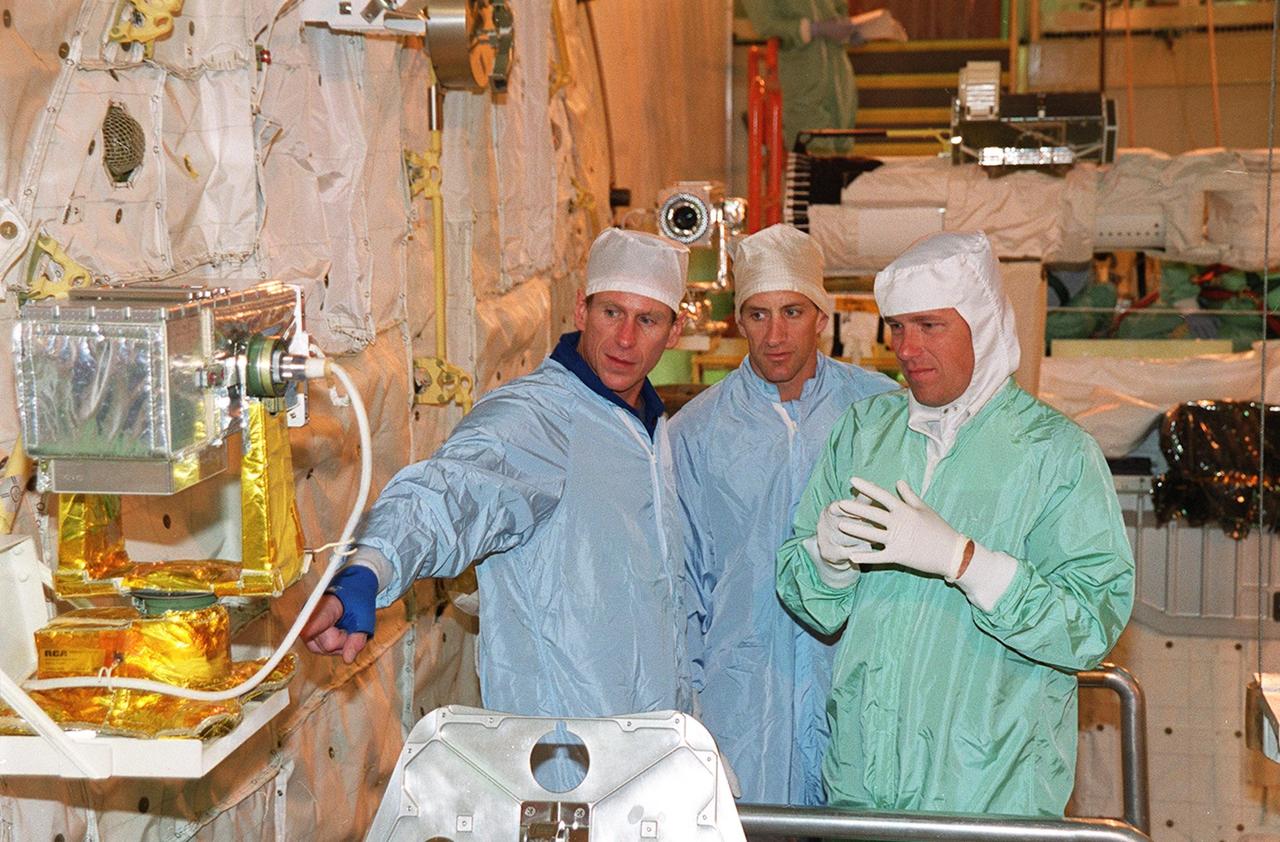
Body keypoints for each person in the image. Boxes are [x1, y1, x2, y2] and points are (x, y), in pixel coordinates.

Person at [776, 230, 1134, 816]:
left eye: (929, 325)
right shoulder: (866, 433)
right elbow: (812, 600)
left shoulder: (1055, 454)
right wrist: (826, 560)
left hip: (991, 793)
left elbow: (1091, 626)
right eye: (896, 327)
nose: (907, 348)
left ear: (984, 325)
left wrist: (966, 563)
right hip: (864, 789)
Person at [302, 228, 693, 733]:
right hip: (565, 755)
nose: (624, 338)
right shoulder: (539, 418)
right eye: (611, 312)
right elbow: (449, 492)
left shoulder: (647, 428)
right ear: (581, 311)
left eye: (648, 320)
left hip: (648, 743)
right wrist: (368, 568)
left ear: (674, 332)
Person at [670, 224, 895, 807]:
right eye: (758, 315)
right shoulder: (696, 432)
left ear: (822, 315)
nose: (775, 335)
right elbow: (682, 585)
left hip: (856, 687)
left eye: (792, 312)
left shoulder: (881, 413)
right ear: (737, 320)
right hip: (741, 698)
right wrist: (692, 712)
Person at [740, 0, 861, 153]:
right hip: (800, 76)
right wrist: (814, 29)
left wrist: (850, 30)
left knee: (842, 148)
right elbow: (766, 24)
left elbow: (839, 8)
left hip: (838, 77)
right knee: (810, 151)